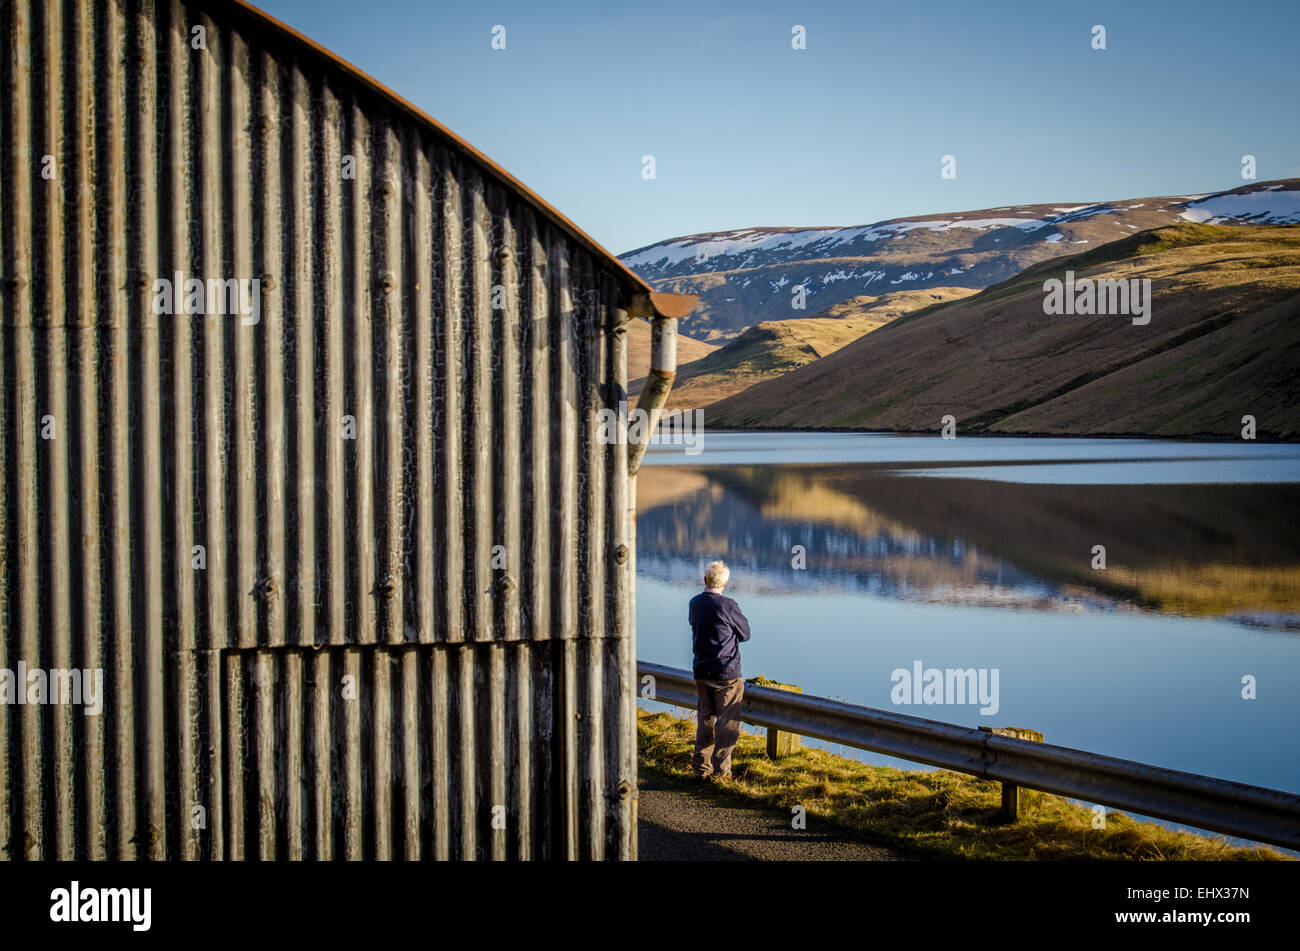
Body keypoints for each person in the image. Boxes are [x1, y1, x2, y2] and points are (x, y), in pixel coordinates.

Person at [688, 560, 751, 781]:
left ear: (705, 580)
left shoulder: (695, 603)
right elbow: (745, 634)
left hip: (702, 670)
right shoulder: (729, 606)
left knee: (705, 719)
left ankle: (701, 769)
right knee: (727, 723)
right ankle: (722, 771)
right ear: (725, 583)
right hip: (727, 673)